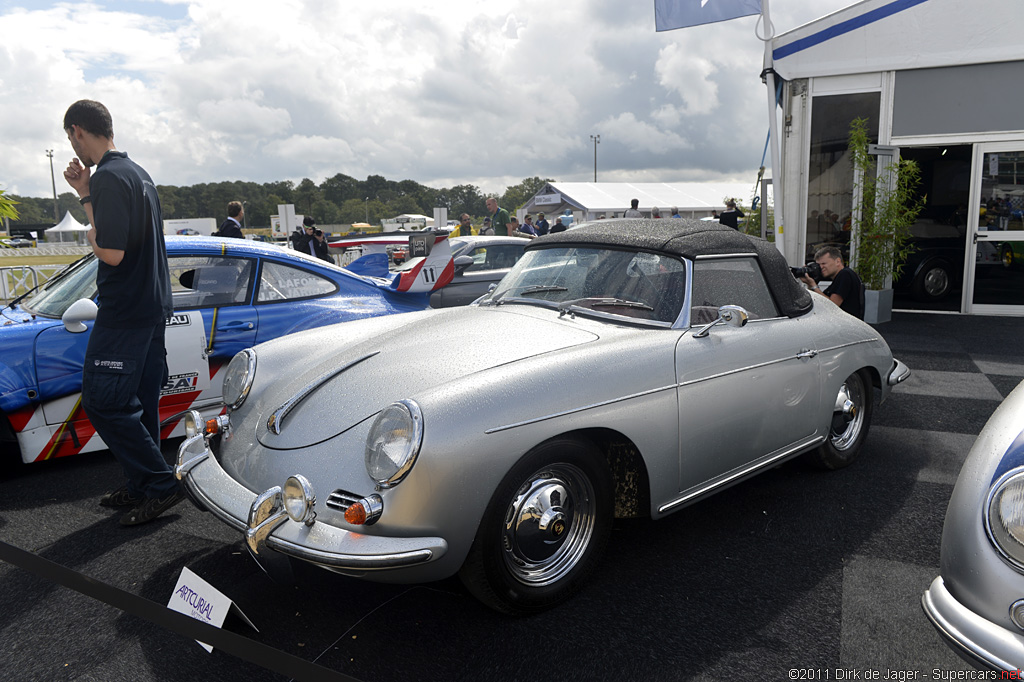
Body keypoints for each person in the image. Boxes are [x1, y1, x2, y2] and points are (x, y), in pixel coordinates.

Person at [61, 99, 183, 525]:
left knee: (104, 402)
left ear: (77, 131)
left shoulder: (111, 177)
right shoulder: (138, 174)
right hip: (150, 306)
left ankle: (161, 484)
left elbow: (110, 251)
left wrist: (90, 218)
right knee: (140, 403)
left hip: (124, 309)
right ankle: (142, 485)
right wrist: (85, 193)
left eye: (70, 138)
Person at [801, 245, 864, 320]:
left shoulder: (845, 274)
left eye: (824, 264)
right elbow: (819, 301)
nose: (821, 267)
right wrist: (809, 282)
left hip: (846, 327)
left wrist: (814, 286)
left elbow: (832, 306)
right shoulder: (842, 276)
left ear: (837, 261)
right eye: (818, 265)